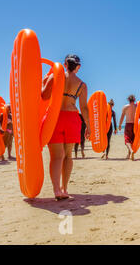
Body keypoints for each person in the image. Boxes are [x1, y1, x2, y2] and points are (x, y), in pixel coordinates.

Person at [42, 54, 90, 201]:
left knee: (56, 157)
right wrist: (88, 126)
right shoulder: (82, 84)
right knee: (68, 156)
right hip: (72, 119)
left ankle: (56, 190)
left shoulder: (55, 76)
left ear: (64, 64)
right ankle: (65, 188)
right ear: (78, 67)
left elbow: (44, 96)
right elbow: (83, 108)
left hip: (55, 117)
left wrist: (45, 81)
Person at [119, 95, 137, 161]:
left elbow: (122, 117)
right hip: (135, 125)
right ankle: (129, 154)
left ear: (128, 100)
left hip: (128, 124)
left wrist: (120, 125)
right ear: (134, 99)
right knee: (132, 140)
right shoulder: (137, 107)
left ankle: (131, 151)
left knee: (127, 140)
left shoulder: (125, 107)